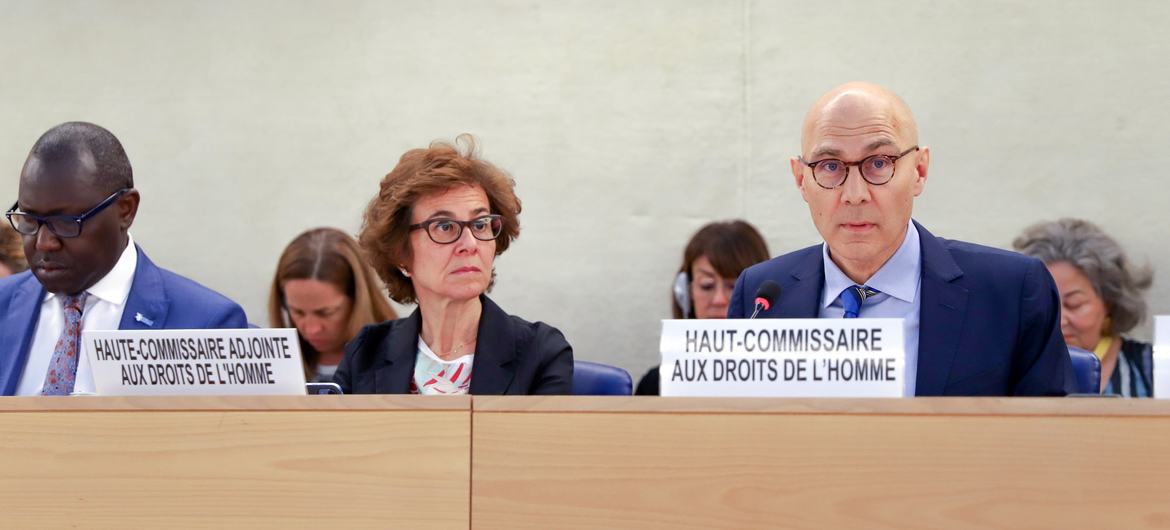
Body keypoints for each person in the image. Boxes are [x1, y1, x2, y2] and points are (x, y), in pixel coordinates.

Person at [728, 82, 1073, 396]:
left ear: (920, 171)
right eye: (830, 166)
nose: (854, 194)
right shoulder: (760, 298)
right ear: (801, 179)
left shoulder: (1011, 292)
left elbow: (1051, 444)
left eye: (879, 163)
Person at [0, 122, 249, 396]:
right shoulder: (4, 305)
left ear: (125, 210)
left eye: (67, 222)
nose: (44, 242)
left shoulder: (206, 324)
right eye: (31, 220)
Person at [333, 135, 573, 395]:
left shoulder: (540, 352)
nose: (469, 243)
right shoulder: (367, 352)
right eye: (445, 227)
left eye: (480, 224)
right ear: (400, 253)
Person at [1014, 218, 1155, 396]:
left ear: (1109, 302)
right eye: (1047, 305)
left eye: (1074, 304)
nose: (1060, 320)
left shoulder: (1152, 368)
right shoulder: (1009, 369)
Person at [636, 220, 770, 395]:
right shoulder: (657, 384)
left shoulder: (786, 380)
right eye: (707, 285)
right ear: (685, 292)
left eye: (734, 286)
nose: (719, 299)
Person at [268, 227, 397, 382]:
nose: (311, 330)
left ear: (358, 299)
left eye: (325, 312)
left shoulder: (404, 359)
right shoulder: (272, 368)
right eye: (297, 312)